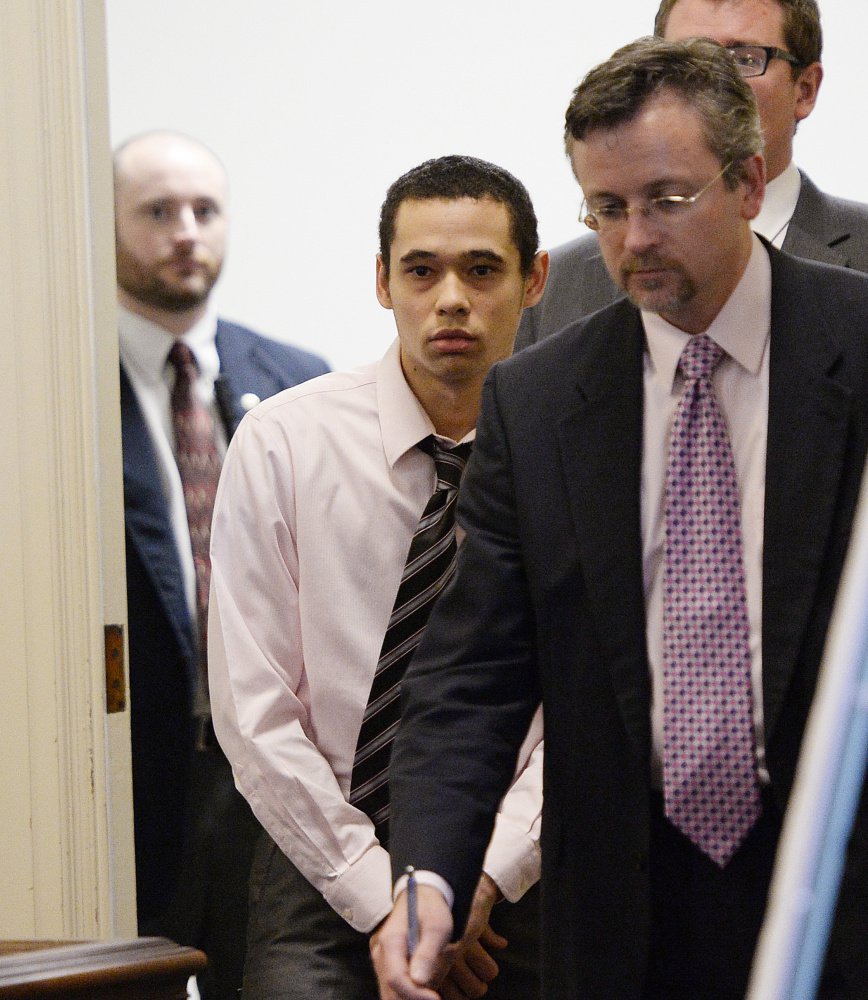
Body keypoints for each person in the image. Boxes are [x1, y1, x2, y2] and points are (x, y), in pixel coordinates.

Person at [373, 37, 868, 1000]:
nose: (632, 238)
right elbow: (473, 672)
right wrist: (429, 870)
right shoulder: (541, 398)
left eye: (665, 201)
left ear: (750, 182)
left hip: (839, 887)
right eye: (606, 208)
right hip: (625, 912)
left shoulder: (859, 346)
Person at [208, 155, 549, 1000]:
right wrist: (382, 898)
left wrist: (483, 876)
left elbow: (586, 707)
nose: (452, 300)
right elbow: (255, 711)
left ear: (535, 278)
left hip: (521, 866)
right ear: (381, 281)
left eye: (482, 270)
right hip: (326, 857)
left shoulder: (580, 449)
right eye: (421, 271)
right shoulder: (286, 441)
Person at [116, 129, 329, 999]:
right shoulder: (53, 380)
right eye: (158, 211)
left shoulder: (294, 381)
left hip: (272, 774)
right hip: (129, 777)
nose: (186, 232)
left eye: (205, 210)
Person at [515, 0, 868, 349]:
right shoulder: (555, 290)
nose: (714, 84)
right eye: (685, 60)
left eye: (745, 59)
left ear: (805, 88)